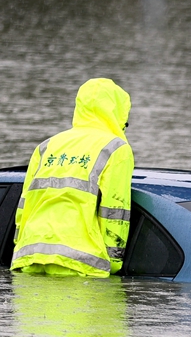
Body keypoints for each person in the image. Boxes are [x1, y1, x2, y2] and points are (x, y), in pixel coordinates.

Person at [12, 78, 134, 278]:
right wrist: (112, 263)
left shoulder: (46, 146)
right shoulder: (117, 149)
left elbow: (24, 208)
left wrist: (20, 247)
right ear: (118, 113)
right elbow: (115, 211)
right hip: (80, 264)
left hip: (30, 259)